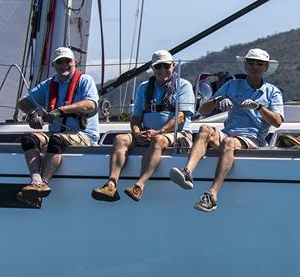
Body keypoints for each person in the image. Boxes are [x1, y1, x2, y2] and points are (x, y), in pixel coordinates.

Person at [169, 48, 284, 212]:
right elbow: (203, 110)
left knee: (229, 142)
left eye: (259, 64)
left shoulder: (273, 92)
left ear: (265, 68)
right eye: (251, 63)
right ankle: (187, 172)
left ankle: (212, 194)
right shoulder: (232, 84)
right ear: (245, 65)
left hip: (253, 139)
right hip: (229, 134)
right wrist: (218, 101)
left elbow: (278, 122)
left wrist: (259, 107)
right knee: (205, 129)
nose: (255, 67)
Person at [92, 50, 195, 202]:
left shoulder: (184, 85)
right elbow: (136, 117)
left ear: (173, 66)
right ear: (152, 68)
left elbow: (181, 117)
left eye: (166, 66)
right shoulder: (144, 87)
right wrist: (136, 132)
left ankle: (139, 186)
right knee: (120, 139)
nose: (162, 70)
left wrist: (158, 131)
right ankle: (111, 185)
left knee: (158, 140)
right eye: (158, 66)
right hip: (148, 132)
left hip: (176, 134)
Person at [15, 46, 99, 206]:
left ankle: (44, 184)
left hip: (83, 135)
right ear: (54, 66)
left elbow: (91, 104)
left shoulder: (85, 80)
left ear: (75, 62)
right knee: (28, 139)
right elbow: (22, 102)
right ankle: (36, 180)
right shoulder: (49, 84)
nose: (64, 65)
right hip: (57, 134)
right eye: (59, 62)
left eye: (67, 61)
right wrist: (32, 113)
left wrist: (61, 110)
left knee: (56, 140)